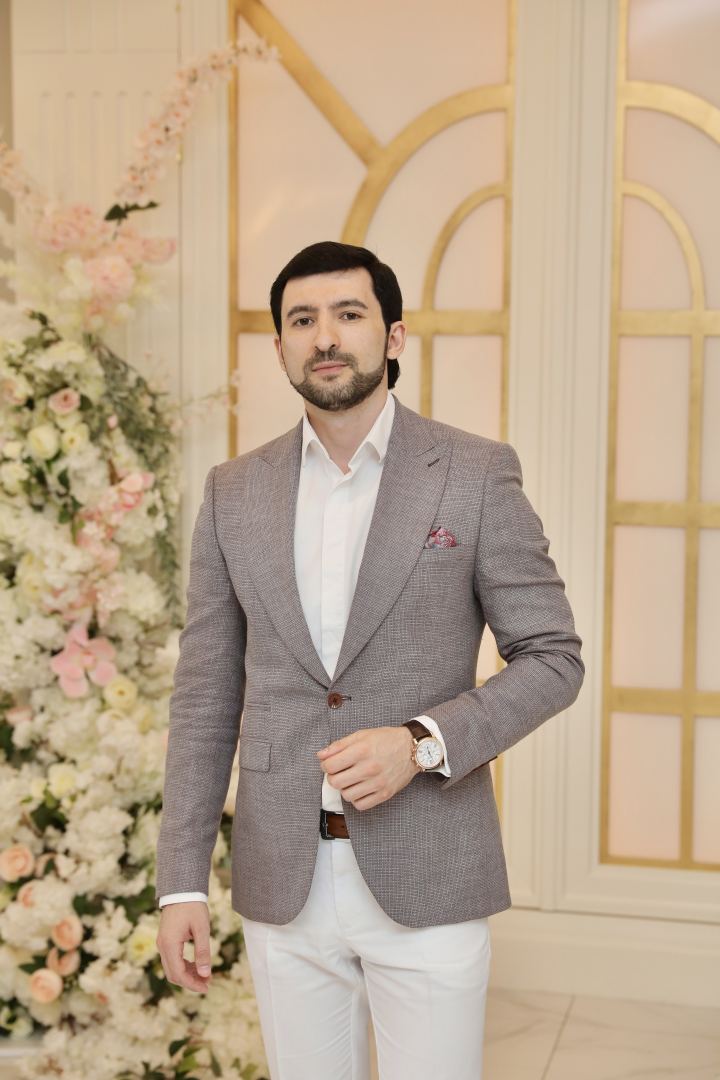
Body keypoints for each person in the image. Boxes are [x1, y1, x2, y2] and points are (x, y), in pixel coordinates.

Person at [155, 241, 584, 1079]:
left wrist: (421, 742)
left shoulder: (474, 473)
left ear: (392, 336)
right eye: (302, 320)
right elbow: (204, 697)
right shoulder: (232, 491)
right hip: (282, 881)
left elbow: (553, 657)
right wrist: (181, 885)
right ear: (280, 346)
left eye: (348, 314)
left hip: (430, 867)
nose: (325, 336)